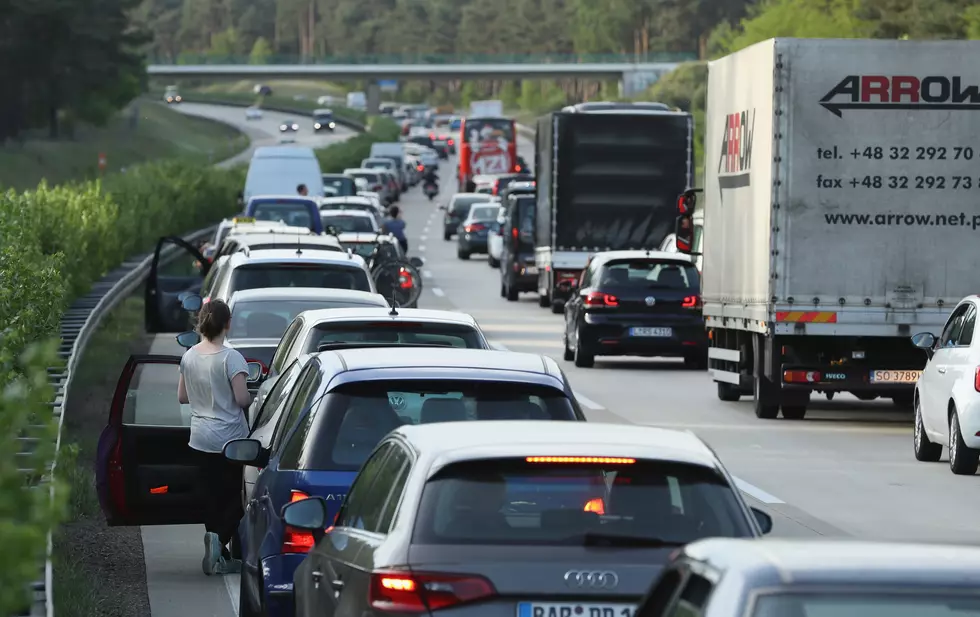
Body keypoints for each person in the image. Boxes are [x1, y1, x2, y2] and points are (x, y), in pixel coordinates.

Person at [177, 300, 252, 576]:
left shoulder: (189, 356)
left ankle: (219, 553)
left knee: (211, 497)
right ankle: (219, 543)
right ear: (227, 324)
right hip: (230, 440)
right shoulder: (232, 358)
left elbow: (182, 396)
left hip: (199, 438)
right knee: (236, 498)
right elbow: (242, 398)